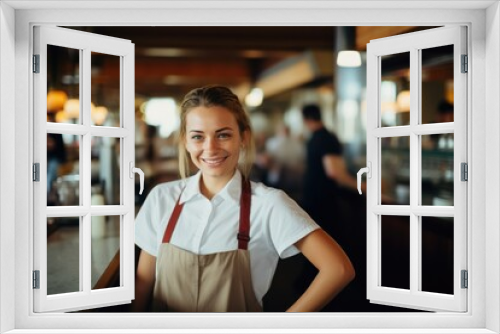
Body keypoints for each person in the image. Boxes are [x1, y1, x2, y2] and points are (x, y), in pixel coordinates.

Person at [131, 86, 355, 312]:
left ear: (244, 138)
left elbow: (338, 269)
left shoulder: (268, 204)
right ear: (185, 141)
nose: (210, 148)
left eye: (223, 135)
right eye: (198, 137)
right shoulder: (161, 198)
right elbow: (143, 284)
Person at [301, 104, 363, 238]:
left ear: (306, 120)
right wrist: (362, 187)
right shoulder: (327, 137)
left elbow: (334, 171)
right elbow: (335, 172)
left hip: (317, 198)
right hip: (323, 200)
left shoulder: (317, 138)